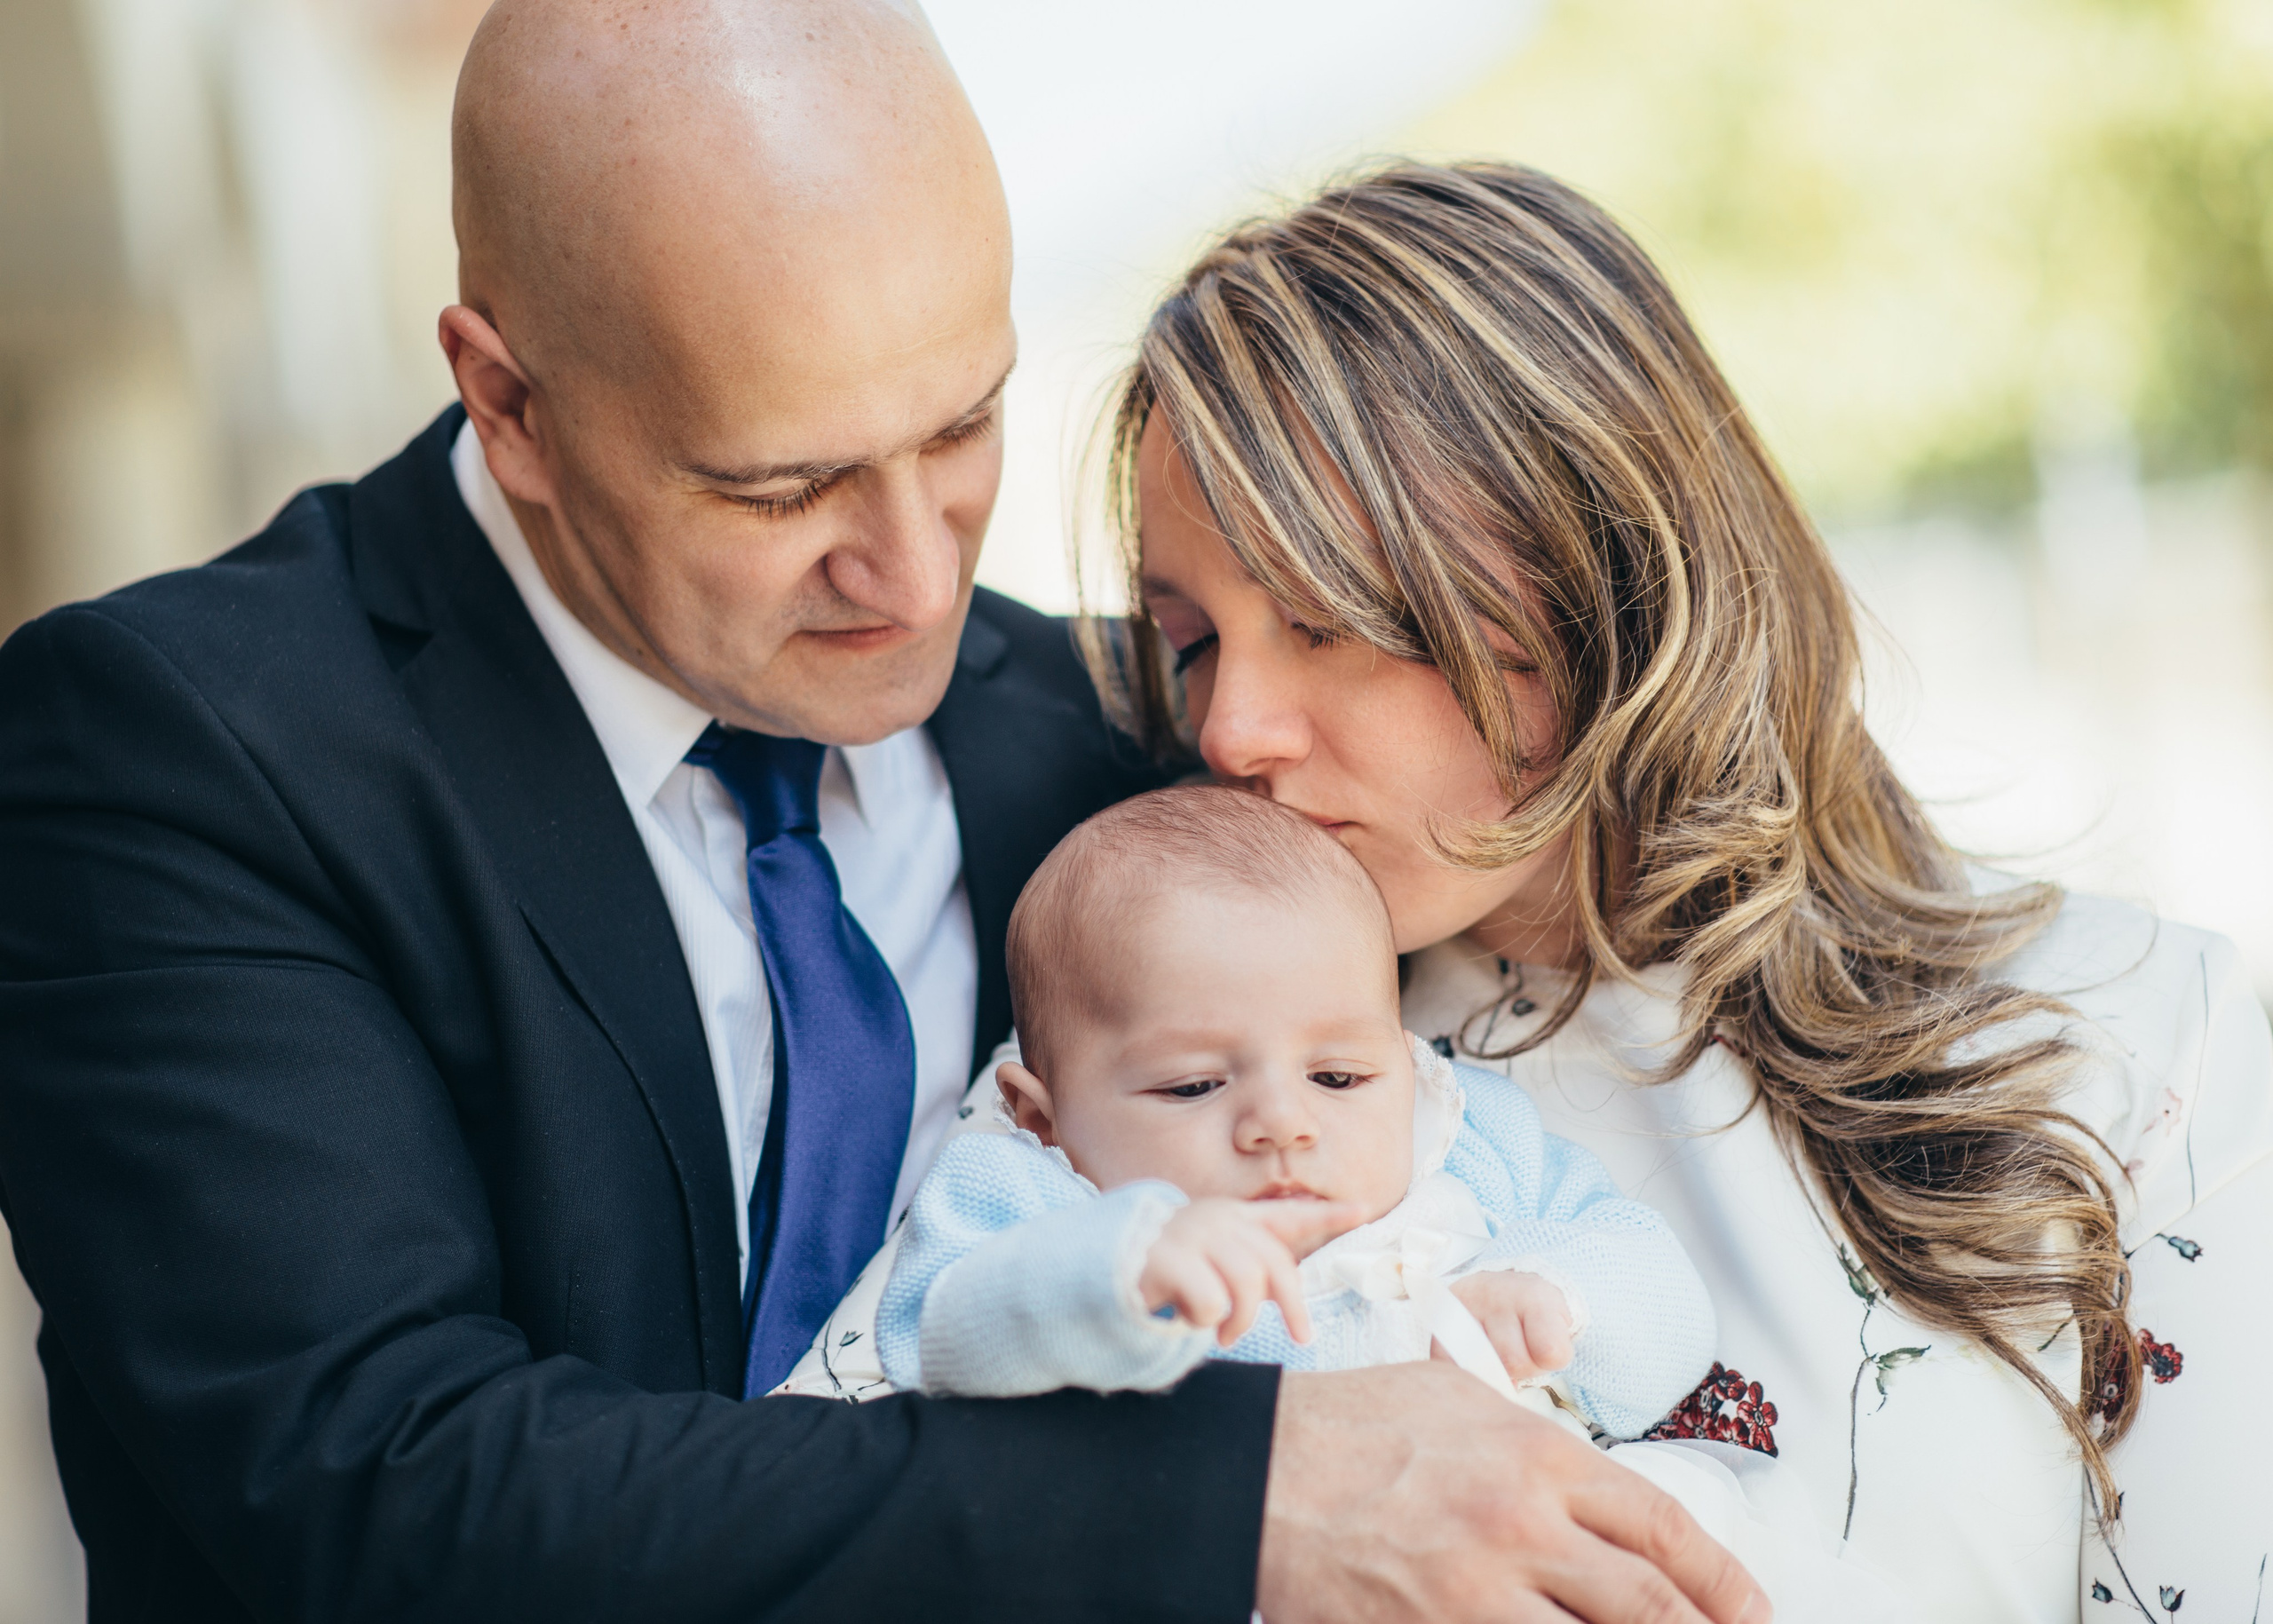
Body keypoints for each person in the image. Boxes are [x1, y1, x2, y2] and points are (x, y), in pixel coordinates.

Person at [0, 5, 1766, 1621]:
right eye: (781, 486)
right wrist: (1229, 1506)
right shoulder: (176, 749)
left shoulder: (1124, 736)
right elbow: (372, 1483)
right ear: (511, 403)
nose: (913, 579)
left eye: (960, 428)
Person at [1107, 159, 2273, 1619]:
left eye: (1332, 615)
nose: (1229, 732)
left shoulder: (2142, 1041)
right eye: (1192, 638)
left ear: (1606, 565)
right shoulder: (1160, 1070)